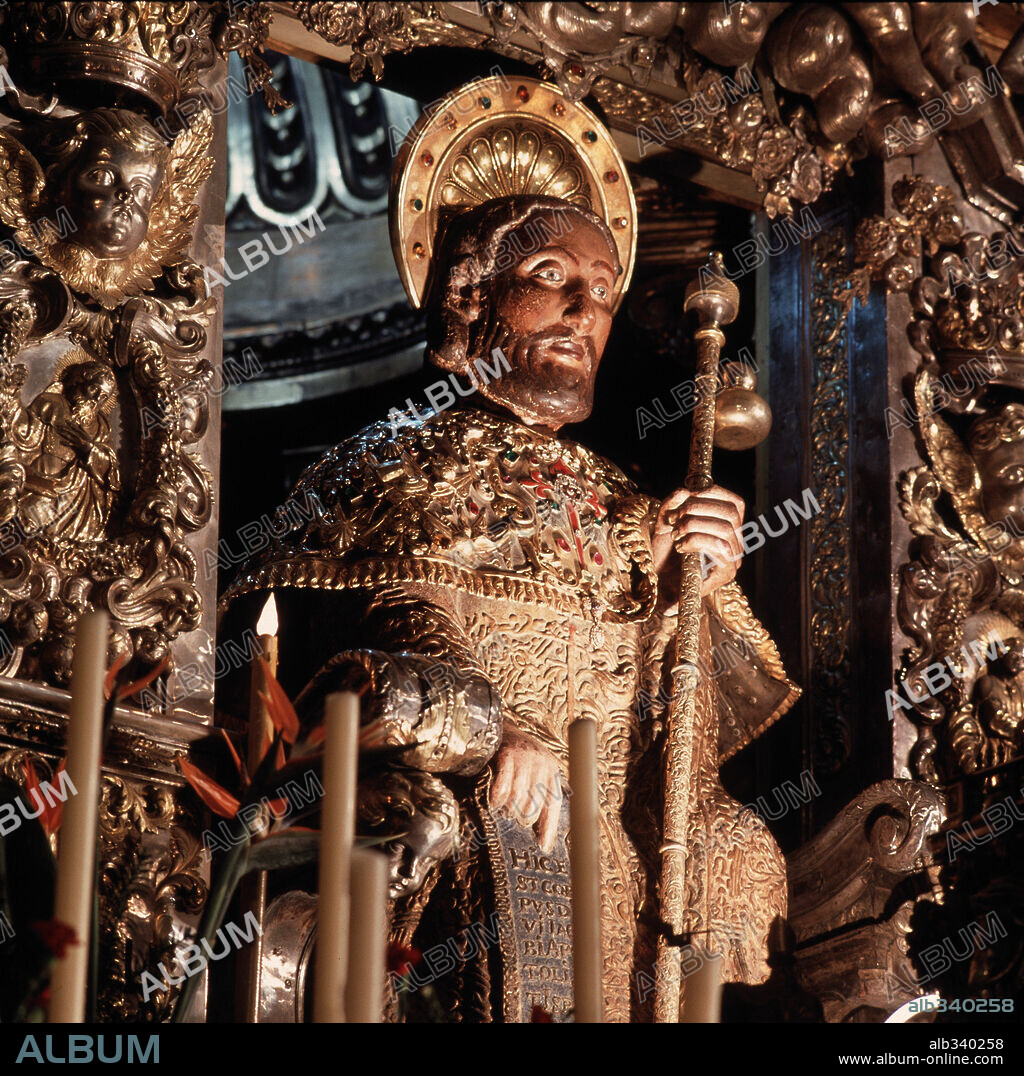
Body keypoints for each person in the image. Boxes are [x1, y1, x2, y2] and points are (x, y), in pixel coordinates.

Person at [221, 78, 798, 1022]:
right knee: (498, 842)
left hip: (619, 840)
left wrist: (693, 588)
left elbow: (678, 731)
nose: (583, 311)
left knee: (736, 849)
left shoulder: (629, 501)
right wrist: (494, 730)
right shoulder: (396, 459)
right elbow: (392, 620)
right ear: (471, 294)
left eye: (603, 294)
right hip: (490, 815)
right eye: (551, 280)